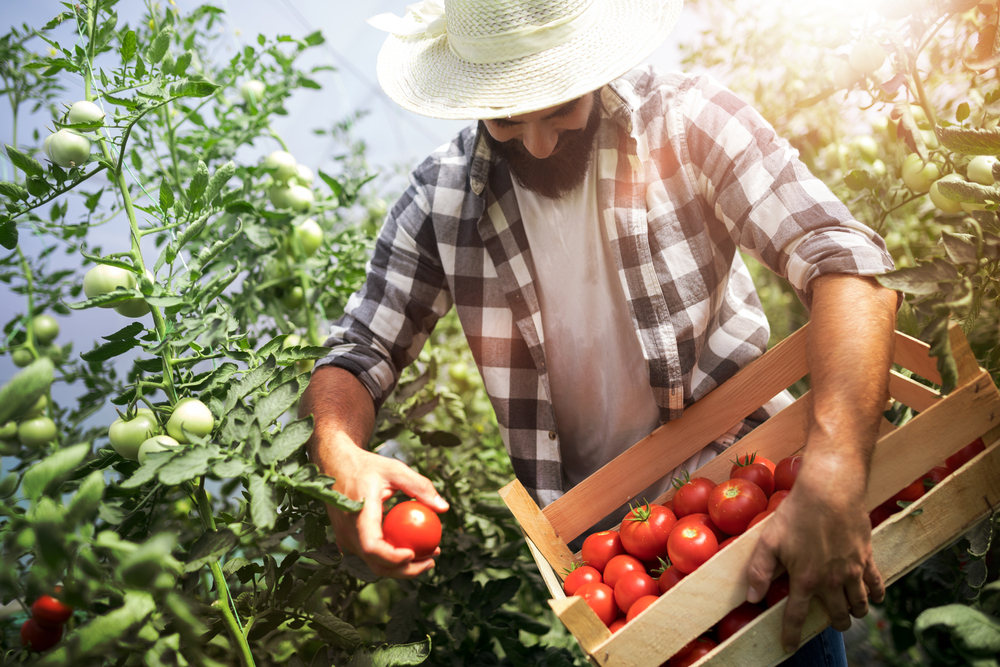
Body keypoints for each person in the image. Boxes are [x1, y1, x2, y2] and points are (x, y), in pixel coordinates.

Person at [299, 0, 899, 664]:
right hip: (612, 571)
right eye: (505, 118)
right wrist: (338, 448)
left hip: (753, 512)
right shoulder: (440, 201)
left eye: (558, 108)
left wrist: (835, 469)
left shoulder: (689, 121)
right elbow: (359, 352)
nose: (538, 142)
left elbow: (843, 258)